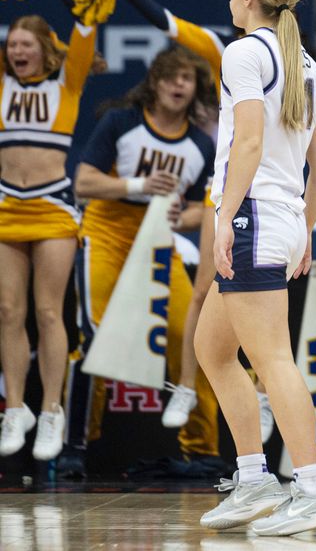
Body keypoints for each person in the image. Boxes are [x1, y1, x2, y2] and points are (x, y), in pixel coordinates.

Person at [194, 0, 316, 536]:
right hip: (281, 220)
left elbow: (249, 145)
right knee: (213, 350)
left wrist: (224, 218)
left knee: (273, 359)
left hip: (251, 216)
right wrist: (303, 228)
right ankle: (255, 477)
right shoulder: (307, 63)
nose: (230, 0)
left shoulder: (242, 52)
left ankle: (312, 489)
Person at [107, 0, 274, 440]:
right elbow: (169, 23)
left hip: (272, 195)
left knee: (262, 307)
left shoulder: (297, 61)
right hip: (225, 190)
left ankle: (262, 393)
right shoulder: (229, 48)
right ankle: (184, 384)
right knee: (206, 290)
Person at [59, 45, 218, 476]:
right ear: (155, 82)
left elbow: (206, 206)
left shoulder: (202, 144)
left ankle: (202, 451)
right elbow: (84, 182)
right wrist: (139, 184)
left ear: (196, 89)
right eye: (170, 77)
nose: (178, 85)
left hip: (158, 242)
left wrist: (179, 214)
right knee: (93, 337)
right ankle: (74, 445)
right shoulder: (121, 123)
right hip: (107, 234)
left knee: (195, 337)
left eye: (187, 79)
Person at [0, 0, 101, 462]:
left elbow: (87, 21)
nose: (17, 52)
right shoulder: (0, 85)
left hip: (53, 206)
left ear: (44, 47)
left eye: (26, 44)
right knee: (7, 311)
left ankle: (53, 410)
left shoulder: (69, 83)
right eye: (12, 44)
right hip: (5, 208)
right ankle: (15, 408)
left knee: (47, 311)